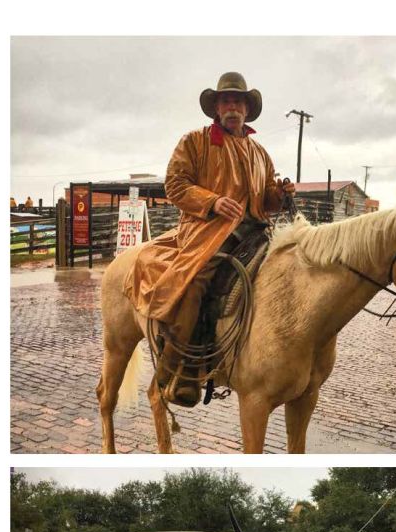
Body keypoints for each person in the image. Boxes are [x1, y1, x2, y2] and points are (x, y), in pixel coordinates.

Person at [124, 72, 295, 406]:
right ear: (217, 108)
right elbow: (175, 185)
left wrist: (279, 193)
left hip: (256, 232)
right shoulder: (194, 141)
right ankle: (180, 369)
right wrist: (212, 201)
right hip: (207, 230)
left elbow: (267, 203)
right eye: (226, 101)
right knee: (196, 281)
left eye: (238, 102)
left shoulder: (260, 152)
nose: (232, 107)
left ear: (247, 108)